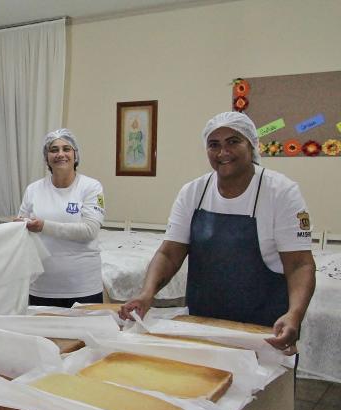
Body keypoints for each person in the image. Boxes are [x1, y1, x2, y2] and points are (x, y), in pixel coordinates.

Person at [119, 112, 316, 354]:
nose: (223, 152)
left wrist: (294, 314)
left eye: (233, 141)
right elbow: (170, 254)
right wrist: (147, 293)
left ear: (252, 145)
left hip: (265, 330)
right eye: (214, 145)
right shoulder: (193, 192)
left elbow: (299, 265)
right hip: (203, 325)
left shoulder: (280, 192)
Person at [17, 128, 106, 307]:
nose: (60, 154)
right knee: (42, 336)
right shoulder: (33, 190)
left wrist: (43, 226)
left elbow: (89, 230)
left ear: (75, 155)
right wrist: (18, 225)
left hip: (83, 287)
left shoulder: (91, 187)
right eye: (54, 150)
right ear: (46, 157)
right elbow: (22, 230)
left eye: (66, 149)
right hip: (41, 286)